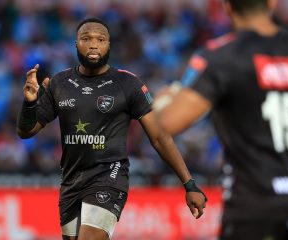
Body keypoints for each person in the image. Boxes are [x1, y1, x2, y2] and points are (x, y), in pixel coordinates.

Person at [154, 1, 288, 239]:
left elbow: (167, 124)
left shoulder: (220, 57)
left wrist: (168, 98)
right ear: (272, 2)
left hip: (253, 206)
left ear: (227, 6)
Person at [16, 17, 207, 240]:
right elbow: (26, 131)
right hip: (71, 181)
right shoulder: (60, 82)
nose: (93, 44)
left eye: (100, 39)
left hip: (109, 176)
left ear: (109, 45)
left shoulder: (128, 84)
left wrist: (189, 183)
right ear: (76, 44)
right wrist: (29, 102)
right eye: (86, 39)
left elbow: (159, 136)